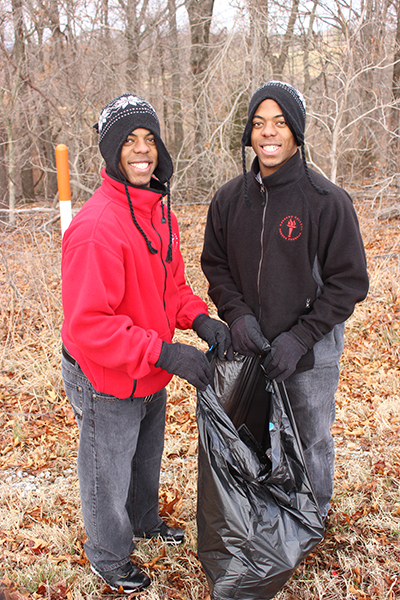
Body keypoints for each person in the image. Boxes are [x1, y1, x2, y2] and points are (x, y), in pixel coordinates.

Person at [61, 93, 232, 594]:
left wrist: (200, 321)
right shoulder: (96, 228)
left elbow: (171, 286)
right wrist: (169, 353)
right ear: (111, 153)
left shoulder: (159, 210)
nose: (142, 150)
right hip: (106, 372)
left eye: (149, 139)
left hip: (150, 362)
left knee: (144, 454)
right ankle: (109, 554)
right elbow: (88, 326)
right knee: (107, 467)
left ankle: (143, 521)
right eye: (129, 141)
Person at [201, 81, 369, 521]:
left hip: (308, 358)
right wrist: (235, 316)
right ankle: (264, 522)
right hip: (249, 355)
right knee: (253, 441)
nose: (268, 133)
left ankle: (310, 520)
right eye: (258, 124)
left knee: (308, 441)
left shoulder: (326, 201)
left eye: (279, 123)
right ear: (249, 134)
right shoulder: (227, 200)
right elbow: (215, 265)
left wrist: (302, 337)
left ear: (296, 131)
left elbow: (349, 282)